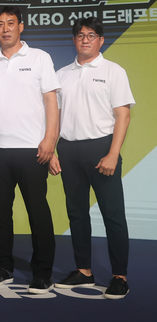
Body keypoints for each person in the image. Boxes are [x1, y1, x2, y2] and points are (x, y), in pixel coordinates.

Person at [49, 17, 134, 299]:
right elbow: (54, 117)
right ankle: (84, 271)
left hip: (102, 150)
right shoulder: (61, 74)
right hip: (68, 150)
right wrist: (52, 151)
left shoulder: (113, 71)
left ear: (101, 40)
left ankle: (120, 277)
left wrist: (113, 153)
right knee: (76, 214)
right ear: (74, 40)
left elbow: (123, 115)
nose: (85, 39)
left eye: (91, 35)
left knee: (113, 215)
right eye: (80, 35)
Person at [0, 6, 60, 294]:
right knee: (0, 214)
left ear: (21, 27)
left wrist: (50, 140)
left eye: (11, 23)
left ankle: (42, 273)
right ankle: (3, 267)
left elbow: (51, 102)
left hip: (32, 150)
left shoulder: (40, 58)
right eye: (0, 24)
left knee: (38, 213)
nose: (6, 29)